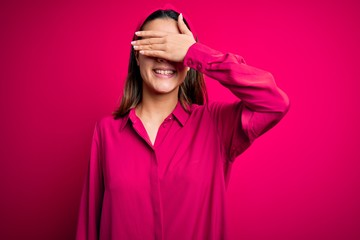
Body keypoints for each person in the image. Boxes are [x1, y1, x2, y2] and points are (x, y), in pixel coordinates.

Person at [75, 8, 290, 240]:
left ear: (188, 63)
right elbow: (89, 226)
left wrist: (196, 53)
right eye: (153, 45)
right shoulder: (106, 132)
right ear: (137, 56)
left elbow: (274, 102)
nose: (163, 57)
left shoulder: (217, 125)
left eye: (173, 48)